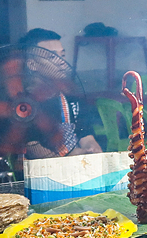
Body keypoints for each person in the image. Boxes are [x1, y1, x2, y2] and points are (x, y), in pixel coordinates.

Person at [16, 28, 101, 159]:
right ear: (32, 65)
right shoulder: (23, 104)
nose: (61, 61)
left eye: (62, 55)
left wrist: (92, 149)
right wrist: (70, 159)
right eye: (52, 56)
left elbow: (86, 136)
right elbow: (32, 146)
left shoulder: (71, 96)